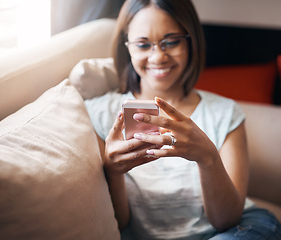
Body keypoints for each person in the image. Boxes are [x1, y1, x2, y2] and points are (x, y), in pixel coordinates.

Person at [84, 0, 281, 239]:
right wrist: (113, 171)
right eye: (143, 44)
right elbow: (121, 223)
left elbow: (226, 220)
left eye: (171, 41)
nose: (158, 57)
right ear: (127, 47)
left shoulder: (225, 113)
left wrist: (207, 157)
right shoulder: (100, 114)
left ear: (191, 41)